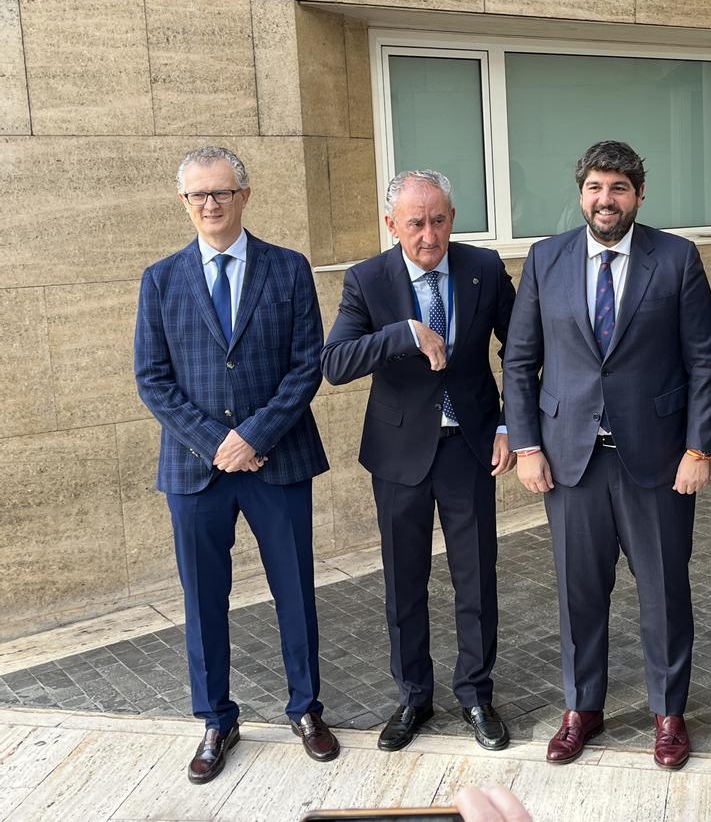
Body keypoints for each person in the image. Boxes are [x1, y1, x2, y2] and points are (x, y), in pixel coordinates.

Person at [503, 140, 711, 770]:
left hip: (656, 461)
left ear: (639, 195)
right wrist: (525, 444)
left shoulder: (676, 258)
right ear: (582, 193)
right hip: (569, 460)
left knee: (663, 592)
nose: (607, 199)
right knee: (579, 594)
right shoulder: (546, 260)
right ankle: (583, 709)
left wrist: (698, 445)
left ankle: (668, 713)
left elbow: (704, 359)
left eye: (619, 188)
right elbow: (519, 360)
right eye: (597, 187)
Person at [134, 146, 338, 784]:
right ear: (184, 203)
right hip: (197, 472)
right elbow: (152, 378)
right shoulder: (161, 279)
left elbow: (308, 364)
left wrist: (253, 435)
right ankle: (217, 719)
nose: (210, 205)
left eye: (221, 192)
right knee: (203, 599)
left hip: (277, 460)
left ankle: (306, 709)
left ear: (244, 195)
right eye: (198, 196)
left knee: (295, 591)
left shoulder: (288, 269)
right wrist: (214, 442)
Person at [321, 171, 516, 753]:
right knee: (405, 580)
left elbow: (525, 348)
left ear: (452, 218)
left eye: (438, 221)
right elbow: (334, 362)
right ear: (391, 225)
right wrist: (403, 333)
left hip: (471, 446)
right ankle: (413, 696)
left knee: (475, 577)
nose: (428, 236)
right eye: (415, 223)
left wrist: (511, 425)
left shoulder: (483, 268)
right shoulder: (367, 280)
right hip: (399, 453)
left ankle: (476, 695)